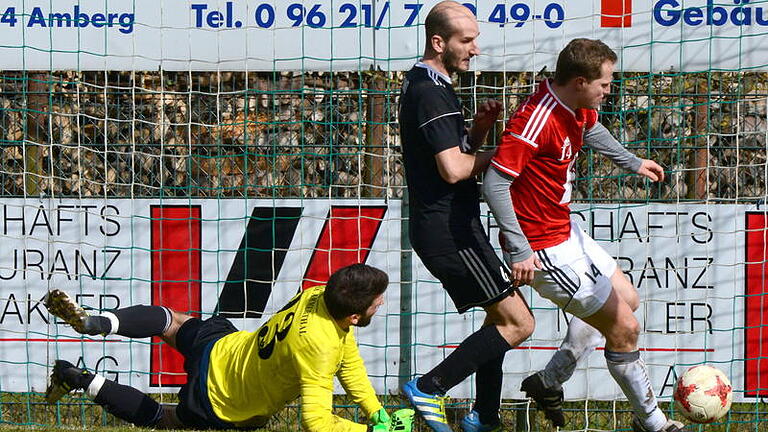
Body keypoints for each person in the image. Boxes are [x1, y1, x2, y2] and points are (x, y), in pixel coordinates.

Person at [482, 38, 685, 432]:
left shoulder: (574, 107)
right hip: (544, 249)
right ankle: (654, 422)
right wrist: (522, 249)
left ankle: (548, 381)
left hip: (566, 230)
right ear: (579, 81)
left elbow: (590, 130)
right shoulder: (535, 120)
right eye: (605, 84)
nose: (609, 90)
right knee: (624, 328)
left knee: (628, 299)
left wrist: (632, 162)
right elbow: (494, 184)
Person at [44, 263, 414, 432]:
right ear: (352, 317)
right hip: (224, 400)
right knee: (163, 417)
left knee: (171, 321)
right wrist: (368, 431)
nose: (379, 305)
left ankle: (98, 322)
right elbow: (315, 421)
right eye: (376, 302)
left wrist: (375, 411)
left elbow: (348, 361)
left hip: (226, 347)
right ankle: (78, 379)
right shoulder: (319, 348)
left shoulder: (319, 294)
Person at [398, 2, 535, 431]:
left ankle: (485, 419)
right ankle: (429, 387)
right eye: (467, 40)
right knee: (518, 323)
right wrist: (508, 156)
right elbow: (455, 169)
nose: (475, 49)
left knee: (500, 320)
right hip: (449, 230)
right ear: (438, 42)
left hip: (450, 225)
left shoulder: (430, 83)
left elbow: (454, 154)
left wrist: (477, 132)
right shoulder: (429, 91)